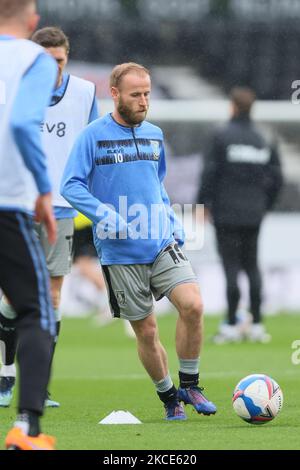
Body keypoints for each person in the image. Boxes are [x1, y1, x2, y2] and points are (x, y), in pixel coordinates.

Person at [61, 62, 217, 420]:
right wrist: (103, 214)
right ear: (114, 94)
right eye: (136, 95)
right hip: (119, 252)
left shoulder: (154, 134)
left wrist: (173, 220)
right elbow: (70, 184)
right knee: (147, 331)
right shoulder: (92, 136)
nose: (144, 101)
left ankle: (190, 384)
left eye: (147, 93)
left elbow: (155, 184)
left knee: (192, 305)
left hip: (161, 240)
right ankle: (169, 398)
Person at [0, 26, 98, 409]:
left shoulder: (85, 93)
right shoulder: (12, 93)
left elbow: (90, 147)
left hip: (60, 209)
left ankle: (38, 384)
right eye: (46, 61)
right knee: (12, 296)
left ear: (67, 58)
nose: (54, 68)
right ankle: (6, 374)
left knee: (53, 297)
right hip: (17, 206)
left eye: (59, 60)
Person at [0, 0, 58, 450]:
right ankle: (28, 427)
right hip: (8, 206)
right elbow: (21, 123)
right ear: (32, 20)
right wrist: (42, 187)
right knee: (36, 313)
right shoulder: (34, 59)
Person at [197, 87, 283, 344]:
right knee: (252, 266)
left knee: (231, 267)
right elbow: (277, 178)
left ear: (233, 106)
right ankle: (256, 323)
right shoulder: (264, 138)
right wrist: (265, 205)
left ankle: (233, 323)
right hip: (254, 213)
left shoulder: (221, 135)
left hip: (226, 212)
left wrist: (203, 203)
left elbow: (209, 173)